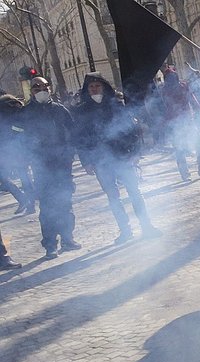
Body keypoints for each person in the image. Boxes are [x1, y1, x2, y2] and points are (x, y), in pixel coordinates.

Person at [73, 73, 162, 244]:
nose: (95, 89)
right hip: (101, 161)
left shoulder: (118, 106)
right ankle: (125, 230)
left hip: (124, 156)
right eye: (91, 87)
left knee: (134, 192)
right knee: (113, 197)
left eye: (97, 86)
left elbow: (133, 130)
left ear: (104, 87)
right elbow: (80, 138)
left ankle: (146, 226)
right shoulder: (81, 111)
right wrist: (87, 162)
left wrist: (135, 153)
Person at [21, 76, 80, 260]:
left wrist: (71, 152)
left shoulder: (59, 109)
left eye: (44, 86)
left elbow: (73, 131)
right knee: (47, 207)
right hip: (41, 167)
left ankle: (67, 238)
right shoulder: (26, 113)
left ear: (49, 87)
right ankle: (50, 245)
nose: (41, 90)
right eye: (36, 87)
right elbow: (18, 136)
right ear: (31, 91)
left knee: (65, 202)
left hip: (62, 165)